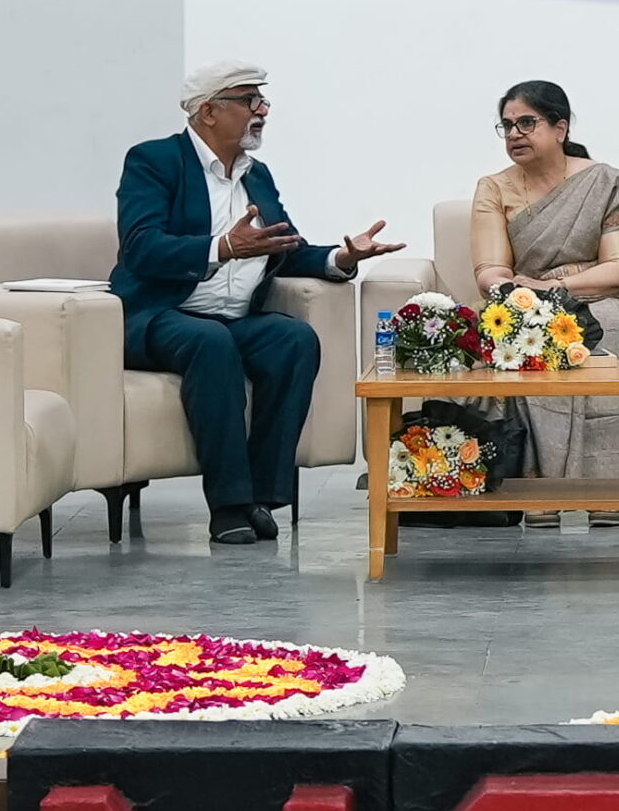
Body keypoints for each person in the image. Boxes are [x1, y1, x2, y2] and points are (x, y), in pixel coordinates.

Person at [108, 62, 402, 546]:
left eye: (262, 100)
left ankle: (262, 497)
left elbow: (282, 247)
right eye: (249, 100)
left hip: (231, 320)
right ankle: (228, 506)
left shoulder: (256, 175)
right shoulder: (154, 161)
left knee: (293, 339)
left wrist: (342, 257)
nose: (262, 110)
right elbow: (141, 247)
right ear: (208, 111)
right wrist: (222, 247)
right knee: (210, 342)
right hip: (159, 316)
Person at [471, 80, 619, 529]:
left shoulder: (605, 182)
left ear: (560, 128)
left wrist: (554, 288)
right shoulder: (494, 188)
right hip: (523, 301)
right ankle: (539, 488)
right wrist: (519, 296)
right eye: (507, 125)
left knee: (611, 323)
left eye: (527, 123)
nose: (515, 134)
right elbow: (490, 269)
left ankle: (609, 490)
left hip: (595, 297)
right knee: (517, 333)